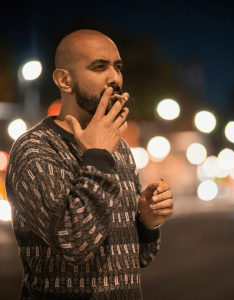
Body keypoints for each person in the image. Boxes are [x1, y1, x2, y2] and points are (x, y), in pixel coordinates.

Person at [5, 29, 174, 300]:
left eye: (117, 67)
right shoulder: (35, 148)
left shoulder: (118, 147)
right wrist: (97, 155)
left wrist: (146, 221)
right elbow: (73, 243)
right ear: (64, 80)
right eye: (99, 67)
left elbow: (137, 258)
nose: (115, 78)